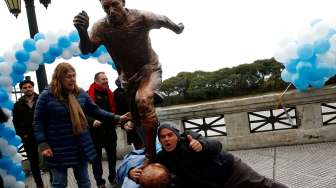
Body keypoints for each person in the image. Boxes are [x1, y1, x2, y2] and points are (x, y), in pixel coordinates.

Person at [73, 0, 184, 164]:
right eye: (106, 8)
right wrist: (82, 31)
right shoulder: (101, 27)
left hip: (149, 69)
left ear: (123, 2)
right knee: (138, 118)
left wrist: (178, 28)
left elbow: (163, 20)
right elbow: (86, 49)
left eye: (115, 5)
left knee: (143, 101)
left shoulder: (142, 17)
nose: (111, 11)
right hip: (127, 79)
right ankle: (153, 149)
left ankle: (151, 158)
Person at [33, 62, 130, 188]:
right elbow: (38, 122)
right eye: (68, 76)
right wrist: (43, 144)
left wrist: (118, 117)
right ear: (59, 77)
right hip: (57, 148)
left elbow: (96, 111)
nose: (72, 79)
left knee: (84, 182)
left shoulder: (80, 93)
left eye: (74, 76)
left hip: (80, 146)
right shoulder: (46, 96)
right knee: (59, 183)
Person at [130, 122, 289, 188]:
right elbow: (147, 169)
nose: (166, 139)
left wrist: (202, 146)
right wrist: (131, 173)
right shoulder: (162, 158)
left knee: (263, 185)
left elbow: (217, 145)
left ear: (177, 136)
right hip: (211, 184)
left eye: (170, 135)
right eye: (162, 137)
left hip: (231, 171)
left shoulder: (190, 139)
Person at [87, 72, 119, 187]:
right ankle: (100, 182)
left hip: (110, 130)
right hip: (95, 132)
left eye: (106, 79)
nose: (106, 81)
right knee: (96, 160)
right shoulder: (87, 94)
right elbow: (83, 113)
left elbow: (115, 111)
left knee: (112, 157)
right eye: (103, 79)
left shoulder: (110, 93)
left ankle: (112, 177)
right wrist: (92, 121)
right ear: (96, 81)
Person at [12, 80, 44, 188]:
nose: (28, 89)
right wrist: (23, 135)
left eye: (29, 86)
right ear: (21, 90)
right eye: (25, 87)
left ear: (33, 87)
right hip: (28, 138)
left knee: (49, 159)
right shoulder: (17, 105)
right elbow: (16, 122)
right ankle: (39, 185)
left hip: (43, 135)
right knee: (34, 163)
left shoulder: (42, 99)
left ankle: (53, 181)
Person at [113, 78, 143, 150]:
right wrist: (124, 124)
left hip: (142, 123)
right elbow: (117, 113)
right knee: (139, 150)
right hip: (131, 126)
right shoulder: (116, 94)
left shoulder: (139, 88)